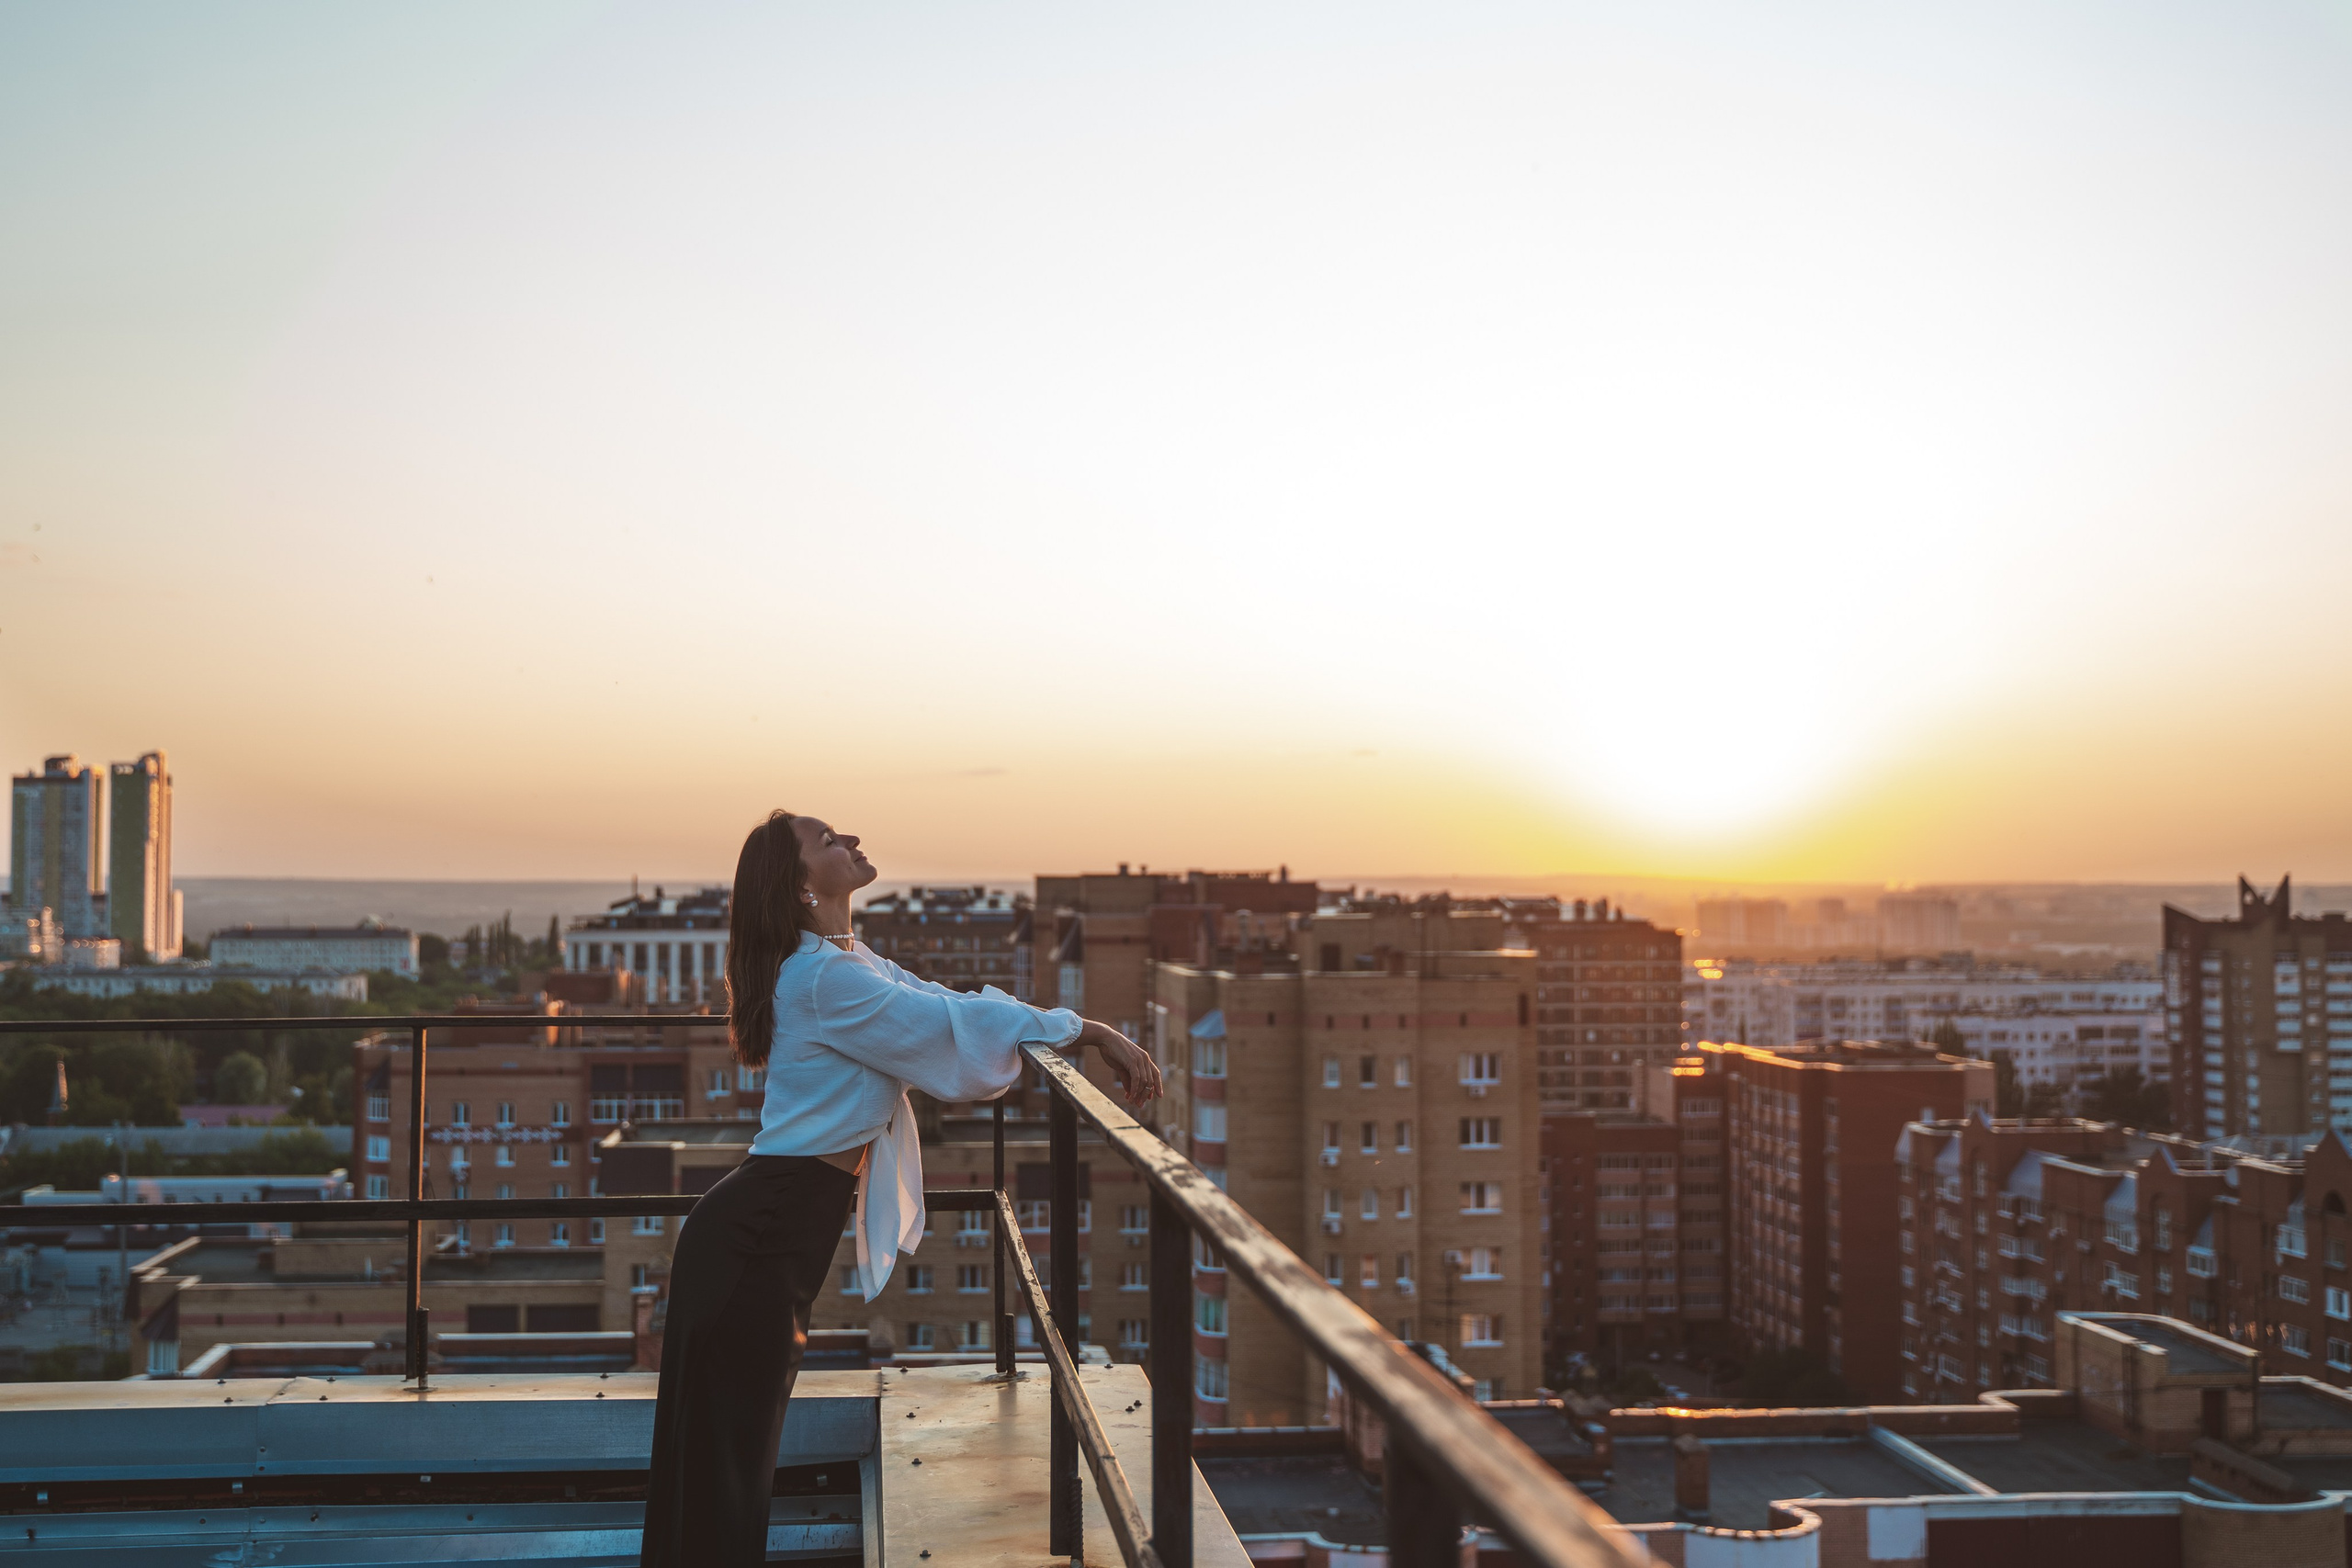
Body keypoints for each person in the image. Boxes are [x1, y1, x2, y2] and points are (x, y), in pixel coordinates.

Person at [638, 810, 1160, 1568]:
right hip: (756, 1236)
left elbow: (942, 1002)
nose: (849, 840)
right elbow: (948, 1021)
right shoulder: (823, 977)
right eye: (827, 841)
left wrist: (1074, 1027)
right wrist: (1091, 1029)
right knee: (724, 1465)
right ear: (800, 887)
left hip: (769, 1234)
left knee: (732, 1458)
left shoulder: (847, 960)